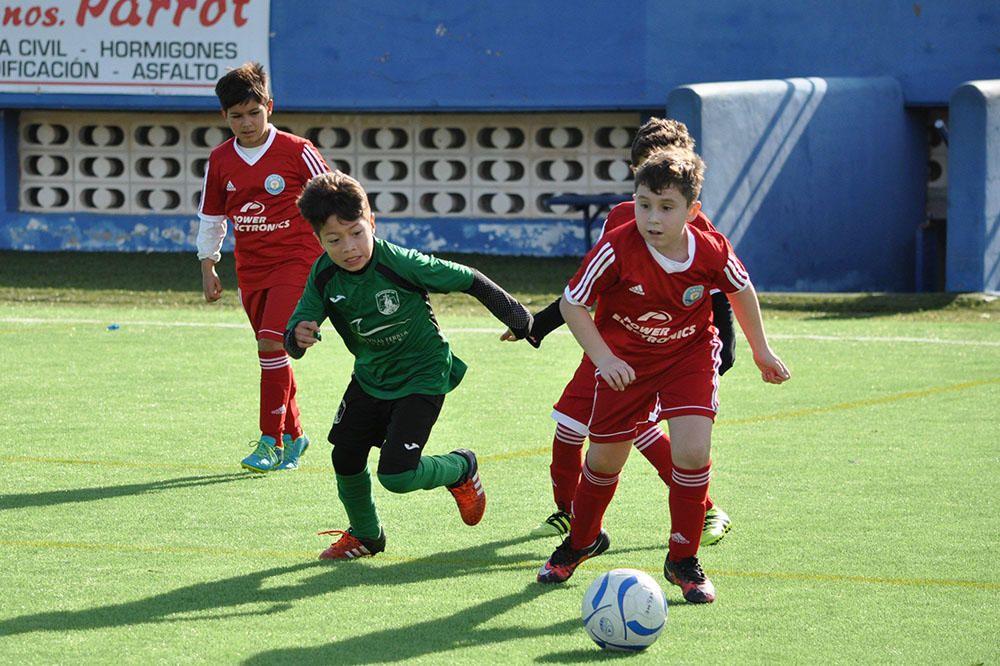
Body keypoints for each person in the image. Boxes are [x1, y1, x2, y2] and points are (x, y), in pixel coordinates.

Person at [536, 147, 790, 604]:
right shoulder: (616, 248)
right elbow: (572, 303)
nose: (652, 217)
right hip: (625, 364)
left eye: (666, 207)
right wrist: (604, 358)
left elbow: (741, 289)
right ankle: (582, 540)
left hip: (688, 356)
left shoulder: (711, 248)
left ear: (693, 211)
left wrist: (761, 350)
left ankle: (683, 559)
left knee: (692, 453)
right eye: (643, 204)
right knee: (603, 463)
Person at [284, 171, 534, 560]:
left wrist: (519, 319)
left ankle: (460, 468)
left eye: (356, 233)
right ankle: (367, 536)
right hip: (371, 377)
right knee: (345, 456)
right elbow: (300, 325)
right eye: (334, 240)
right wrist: (297, 336)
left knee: (397, 475)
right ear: (318, 240)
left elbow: (470, 279)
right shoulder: (324, 275)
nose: (349, 247)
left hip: (423, 375)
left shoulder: (399, 263)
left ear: (372, 223)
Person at [511, 118, 736, 545]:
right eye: (646, 170)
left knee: (643, 433)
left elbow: (720, 288)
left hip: (661, 354)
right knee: (567, 428)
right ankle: (571, 515)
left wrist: (726, 343)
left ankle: (704, 509)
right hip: (608, 348)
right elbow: (583, 290)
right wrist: (536, 325)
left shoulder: (695, 230)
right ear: (636, 172)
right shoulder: (622, 221)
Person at [196, 62, 330, 473]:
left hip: (298, 264)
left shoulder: (298, 151)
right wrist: (209, 264)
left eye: (254, 112)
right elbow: (212, 216)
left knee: (271, 344)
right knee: (274, 353)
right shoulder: (220, 160)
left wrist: (357, 248)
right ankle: (295, 434)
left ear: (269, 107)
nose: (247, 122)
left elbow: (336, 196)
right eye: (237, 116)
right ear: (225, 116)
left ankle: (269, 441)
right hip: (251, 270)